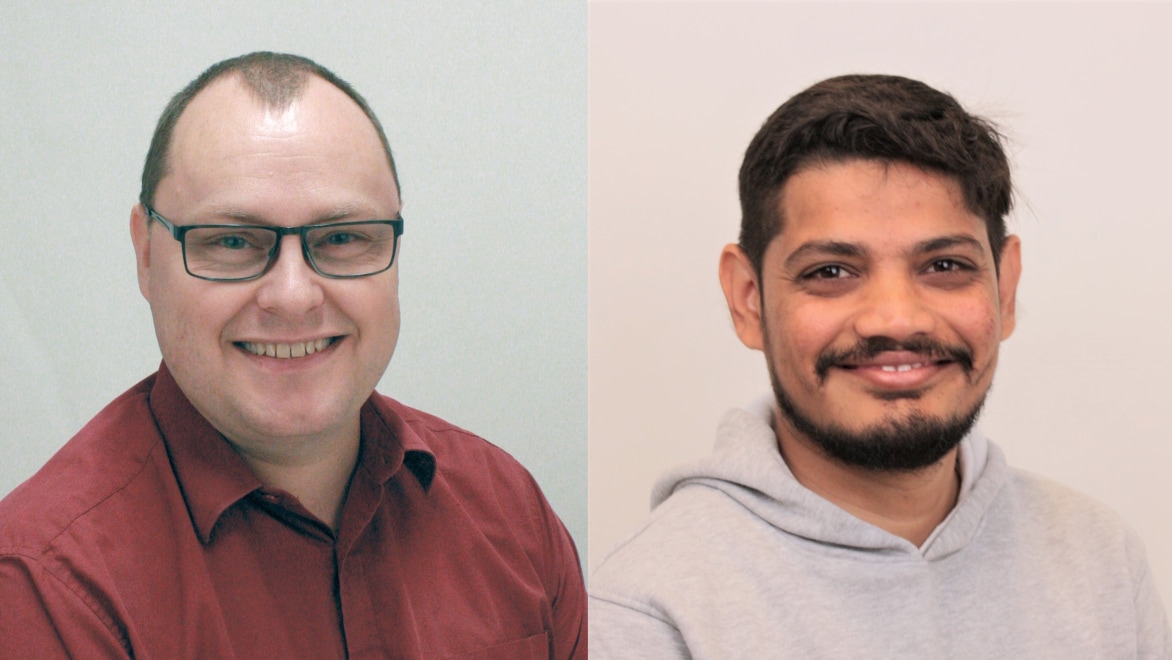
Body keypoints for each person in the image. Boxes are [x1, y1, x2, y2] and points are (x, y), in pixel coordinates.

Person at [0, 52, 585, 659]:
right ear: (147, 256)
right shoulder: (45, 589)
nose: (293, 297)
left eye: (341, 238)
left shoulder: (510, 515)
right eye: (231, 241)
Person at [588, 74, 1168, 658]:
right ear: (748, 300)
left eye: (944, 265)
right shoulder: (643, 612)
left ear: (1006, 289)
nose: (895, 319)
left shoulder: (1103, 562)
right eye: (831, 272)